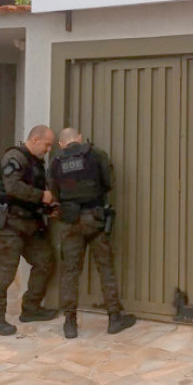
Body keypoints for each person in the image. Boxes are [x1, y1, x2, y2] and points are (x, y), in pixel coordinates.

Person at [49, 127, 135, 339]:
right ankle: (114, 318)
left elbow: (54, 192)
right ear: (79, 138)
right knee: (105, 268)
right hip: (95, 219)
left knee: (70, 272)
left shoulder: (56, 162)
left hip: (69, 222)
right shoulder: (96, 154)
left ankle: (70, 323)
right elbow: (109, 182)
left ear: (61, 144)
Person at [0, 125, 59, 336]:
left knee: (45, 261)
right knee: (4, 273)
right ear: (35, 139)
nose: (48, 149)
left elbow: (31, 194)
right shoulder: (14, 157)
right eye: (47, 144)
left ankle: (31, 308)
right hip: (11, 226)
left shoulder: (36, 163)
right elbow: (13, 188)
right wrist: (41, 196)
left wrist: (48, 208)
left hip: (30, 225)